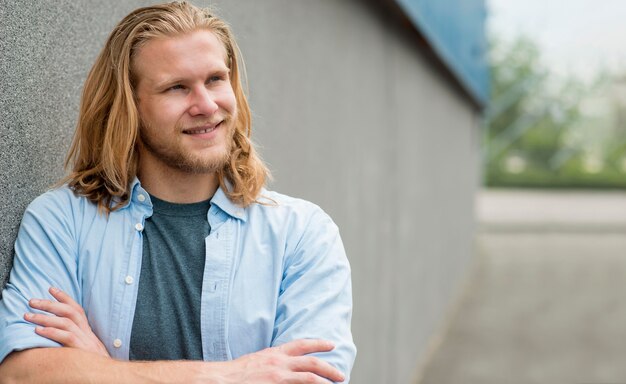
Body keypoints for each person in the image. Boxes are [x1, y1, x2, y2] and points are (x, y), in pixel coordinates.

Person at [0, 2, 356, 382]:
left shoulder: (301, 236)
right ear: (130, 107)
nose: (206, 105)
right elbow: (23, 373)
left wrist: (104, 371)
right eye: (177, 88)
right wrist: (233, 375)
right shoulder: (61, 222)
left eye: (216, 79)